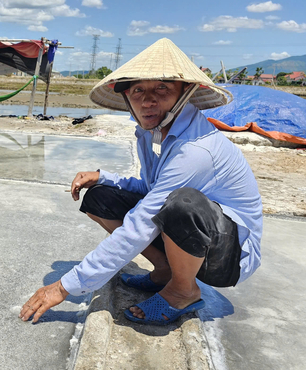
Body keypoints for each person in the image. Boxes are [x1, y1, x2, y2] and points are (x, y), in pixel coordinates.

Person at [19, 38, 263, 325]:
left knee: (183, 203)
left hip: (227, 257)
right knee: (100, 197)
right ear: (127, 98)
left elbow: (144, 219)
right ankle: (164, 270)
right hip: (196, 236)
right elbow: (153, 191)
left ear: (186, 92)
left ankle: (183, 290)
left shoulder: (196, 149)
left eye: (162, 88)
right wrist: (104, 177)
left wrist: (65, 286)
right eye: (138, 90)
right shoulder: (151, 134)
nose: (148, 100)